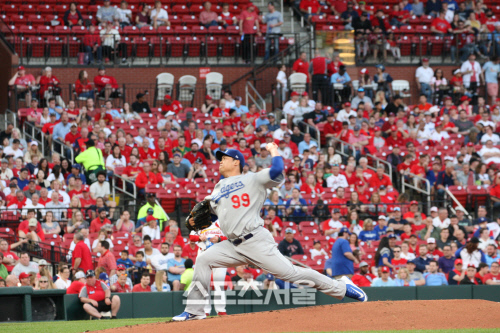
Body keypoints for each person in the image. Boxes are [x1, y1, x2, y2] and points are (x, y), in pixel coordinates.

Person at [173, 145, 367, 321]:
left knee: (292, 274)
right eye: (220, 158)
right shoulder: (217, 189)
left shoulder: (252, 178)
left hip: (255, 241)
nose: (220, 161)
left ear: (236, 161)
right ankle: (195, 310)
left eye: (224, 157)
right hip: (232, 245)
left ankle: (342, 287)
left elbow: (276, 171)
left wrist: (274, 151)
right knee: (204, 259)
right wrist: (194, 222)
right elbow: (212, 215)